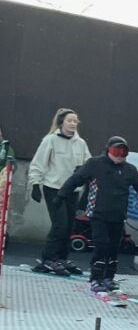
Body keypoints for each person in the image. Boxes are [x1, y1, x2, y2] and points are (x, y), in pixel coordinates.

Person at [54, 136, 138, 292]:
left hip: (118, 216)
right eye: (116, 151)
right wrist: (61, 196)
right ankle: (96, 278)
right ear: (108, 150)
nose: (119, 155)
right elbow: (76, 179)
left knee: (113, 248)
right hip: (98, 214)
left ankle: (108, 277)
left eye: (123, 152)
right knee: (101, 245)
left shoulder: (129, 170)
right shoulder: (94, 164)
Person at [27, 108, 91, 275]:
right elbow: (38, 162)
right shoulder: (50, 140)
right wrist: (35, 183)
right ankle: (48, 259)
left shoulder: (81, 143)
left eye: (75, 121)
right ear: (62, 122)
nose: (73, 124)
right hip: (54, 188)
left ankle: (61, 258)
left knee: (70, 226)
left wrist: (84, 170)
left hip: (73, 190)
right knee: (60, 225)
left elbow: (89, 164)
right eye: (69, 120)